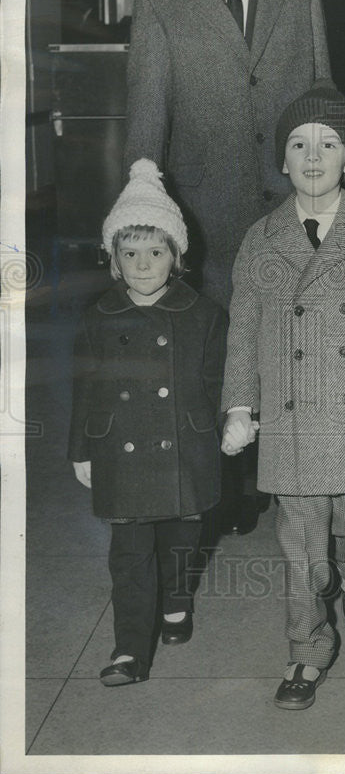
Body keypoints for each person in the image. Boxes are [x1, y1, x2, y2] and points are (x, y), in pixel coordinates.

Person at [123, 0, 330, 535]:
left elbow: (322, 102)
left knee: (287, 344)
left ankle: (285, 473)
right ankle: (225, 486)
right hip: (202, 211)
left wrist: (326, 194)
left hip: (283, 206)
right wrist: (145, 199)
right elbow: (147, 114)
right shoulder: (160, 0)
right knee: (212, 352)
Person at [220, 82, 345, 711]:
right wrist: (238, 406)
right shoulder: (259, 239)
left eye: (328, 144)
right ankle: (307, 650)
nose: (312, 156)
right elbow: (243, 330)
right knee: (300, 541)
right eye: (299, 144)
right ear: (281, 159)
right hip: (292, 420)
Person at [68, 159, 226, 686]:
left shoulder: (203, 315)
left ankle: (177, 600)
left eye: (155, 252)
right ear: (113, 260)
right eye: (129, 253)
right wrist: (81, 449)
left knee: (182, 540)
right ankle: (129, 651)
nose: (142, 264)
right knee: (130, 556)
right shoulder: (97, 317)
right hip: (122, 452)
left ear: (176, 257)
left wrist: (230, 423)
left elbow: (218, 380)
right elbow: (85, 387)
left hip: (185, 449)